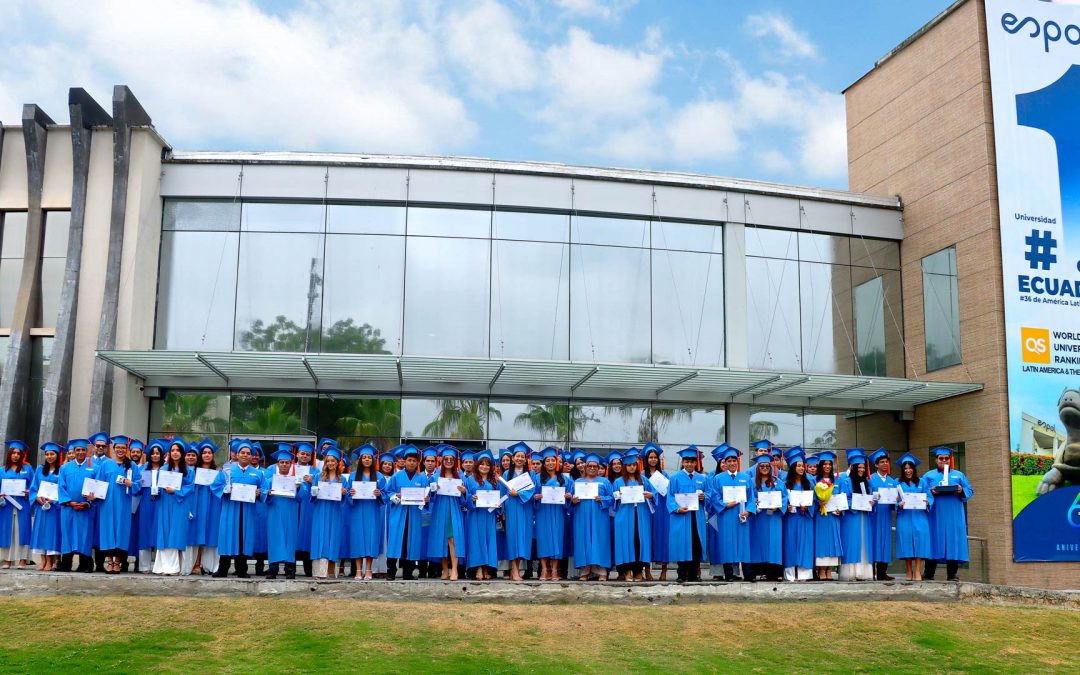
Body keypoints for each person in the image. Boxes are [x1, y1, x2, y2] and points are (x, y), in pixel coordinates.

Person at [921, 446, 974, 581]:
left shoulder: (959, 475)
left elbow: (969, 490)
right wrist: (930, 492)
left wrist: (961, 490)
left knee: (953, 541)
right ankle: (928, 573)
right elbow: (921, 492)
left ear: (950, 460)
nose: (944, 461)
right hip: (936, 515)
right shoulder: (928, 476)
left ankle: (952, 574)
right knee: (934, 540)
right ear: (936, 460)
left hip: (954, 515)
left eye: (946, 458)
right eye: (941, 458)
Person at [211, 440, 263, 578]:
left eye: (248, 453)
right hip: (230, 509)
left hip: (248, 511)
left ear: (252, 456)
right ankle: (223, 569)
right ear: (237, 455)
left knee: (243, 538)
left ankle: (242, 570)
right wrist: (226, 489)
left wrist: (260, 493)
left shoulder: (257, 474)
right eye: (243, 453)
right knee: (227, 536)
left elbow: (264, 489)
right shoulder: (227, 471)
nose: (245, 455)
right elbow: (215, 486)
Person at [95, 435, 141, 573]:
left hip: (123, 504)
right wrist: (93, 495)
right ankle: (109, 562)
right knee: (108, 531)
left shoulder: (131, 465)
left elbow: (138, 485)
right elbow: (99, 483)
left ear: (126, 449)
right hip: (107, 504)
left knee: (122, 532)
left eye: (123, 448)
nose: (120, 450)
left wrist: (131, 483)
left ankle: (118, 562)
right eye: (118, 447)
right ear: (114, 449)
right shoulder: (106, 464)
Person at [708, 445, 754, 582]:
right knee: (727, 544)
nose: (732, 463)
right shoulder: (718, 478)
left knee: (743, 544)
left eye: (734, 460)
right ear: (725, 463)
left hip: (742, 516)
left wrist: (748, 511)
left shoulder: (746, 478)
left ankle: (749, 575)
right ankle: (729, 575)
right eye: (729, 461)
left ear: (737, 462)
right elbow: (714, 497)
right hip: (726, 516)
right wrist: (725, 505)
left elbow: (751, 497)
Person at [385, 444, 430, 580]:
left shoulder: (422, 478)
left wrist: (426, 499)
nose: (411, 462)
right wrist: (395, 497)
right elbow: (388, 492)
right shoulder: (396, 477)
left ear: (418, 462)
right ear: (405, 462)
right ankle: (391, 572)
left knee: (411, 543)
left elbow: (427, 496)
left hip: (414, 516)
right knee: (395, 542)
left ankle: (408, 573)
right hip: (398, 514)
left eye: (414, 460)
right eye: (409, 460)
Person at [263, 444, 307, 580]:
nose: (284, 465)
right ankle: (273, 569)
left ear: (290, 465)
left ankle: (290, 569)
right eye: (281, 462)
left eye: (287, 463)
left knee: (290, 539)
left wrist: (299, 488)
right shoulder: (270, 480)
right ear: (277, 464)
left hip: (291, 513)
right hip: (274, 513)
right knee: (274, 539)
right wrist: (268, 493)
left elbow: (301, 498)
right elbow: (264, 495)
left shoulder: (296, 482)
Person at [612, 448, 654, 582]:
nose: (632, 467)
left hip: (641, 515)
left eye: (634, 465)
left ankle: (638, 570)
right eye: (629, 465)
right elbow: (613, 500)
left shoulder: (644, 480)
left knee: (638, 541)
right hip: (624, 516)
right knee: (626, 542)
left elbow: (654, 496)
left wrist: (650, 495)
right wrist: (618, 496)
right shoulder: (618, 482)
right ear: (625, 466)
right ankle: (627, 571)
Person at [667, 446, 707, 583]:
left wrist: (704, 497)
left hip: (697, 517)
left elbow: (710, 495)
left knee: (696, 544)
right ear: (683, 463)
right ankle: (681, 574)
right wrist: (677, 509)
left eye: (692, 461)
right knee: (682, 544)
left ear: (696, 463)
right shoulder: (675, 478)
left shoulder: (702, 478)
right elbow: (670, 497)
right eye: (687, 461)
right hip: (682, 516)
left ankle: (694, 574)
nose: (689, 464)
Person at [427, 446, 467, 580]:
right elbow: (430, 496)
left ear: (455, 461)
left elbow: (464, 499)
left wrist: (464, 492)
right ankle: (445, 570)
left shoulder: (460, 475)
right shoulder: (436, 476)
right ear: (442, 461)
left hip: (454, 509)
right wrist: (433, 490)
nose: (449, 461)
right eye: (446, 459)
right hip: (440, 509)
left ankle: (454, 570)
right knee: (442, 539)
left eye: (451, 459)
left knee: (453, 539)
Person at [153, 439, 193, 575]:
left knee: (176, 532)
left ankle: (175, 568)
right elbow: (157, 486)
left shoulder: (188, 470)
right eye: (173, 450)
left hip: (179, 503)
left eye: (178, 450)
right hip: (165, 502)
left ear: (182, 453)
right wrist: (157, 490)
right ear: (169, 453)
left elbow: (190, 487)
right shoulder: (163, 469)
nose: (175, 453)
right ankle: (163, 567)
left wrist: (175, 491)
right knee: (164, 531)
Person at [571, 453, 613, 581]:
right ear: (585, 467)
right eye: (590, 466)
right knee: (584, 540)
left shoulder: (604, 482)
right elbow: (571, 499)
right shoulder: (578, 482)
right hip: (581, 515)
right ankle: (585, 569)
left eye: (595, 466)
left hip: (599, 516)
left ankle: (602, 571)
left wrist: (602, 499)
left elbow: (612, 499)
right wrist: (573, 501)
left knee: (600, 540)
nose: (592, 468)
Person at [57, 438, 97, 572]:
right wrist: (70, 502)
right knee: (67, 534)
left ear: (87, 451)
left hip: (86, 508)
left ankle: (86, 564)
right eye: (77, 450)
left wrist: (88, 502)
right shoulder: (65, 468)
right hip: (69, 507)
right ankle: (66, 564)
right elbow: (61, 487)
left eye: (83, 450)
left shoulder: (94, 467)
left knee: (85, 534)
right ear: (73, 451)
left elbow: (98, 487)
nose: (80, 452)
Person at [310, 445, 349, 580]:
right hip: (320, 510)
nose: (331, 463)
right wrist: (315, 491)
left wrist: (344, 493)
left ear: (338, 463)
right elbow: (313, 496)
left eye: (333, 461)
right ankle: (319, 572)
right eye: (328, 461)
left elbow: (345, 499)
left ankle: (331, 572)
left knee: (333, 538)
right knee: (320, 538)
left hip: (335, 512)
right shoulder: (318, 476)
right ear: (325, 462)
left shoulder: (342, 479)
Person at [347, 444, 384, 581]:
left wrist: (379, 494)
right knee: (358, 539)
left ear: (373, 460)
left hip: (372, 511)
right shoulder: (352, 476)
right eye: (364, 457)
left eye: (369, 457)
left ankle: (368, 570)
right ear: (360, 460)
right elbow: (346, 497)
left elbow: (384, 496)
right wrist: (350, 494)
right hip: (357, 511)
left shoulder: (379, 476)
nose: (367, 459)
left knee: (370, 539)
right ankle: (358, 570)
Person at [500, 441, 536, 582]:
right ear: (513, 458)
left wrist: (519, 494)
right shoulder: (506, 473)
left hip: (525, 509)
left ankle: (517, 569)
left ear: (525, 459)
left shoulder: (531, 474)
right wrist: (502, 511)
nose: (520, 459)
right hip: (511, 509)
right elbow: (502, 494)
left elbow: (532, 491)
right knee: (512, 538)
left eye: (522, 456)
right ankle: (514, 570)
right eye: (517, 456)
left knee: (523, 539)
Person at [534, 447, 571, 581]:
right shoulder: (537, 478)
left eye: (552, 460)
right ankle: (545, 569)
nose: (550, 462)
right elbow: (530, 495)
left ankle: (555, 570)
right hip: (542, 512)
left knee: (557, 540)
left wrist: (568, 496)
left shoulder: (565, 479)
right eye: (547, 460)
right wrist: (535, 497)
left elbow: (571, 497)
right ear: (544, 463)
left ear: (557, 462)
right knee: (543, 540)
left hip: (558, 512)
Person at [185, 439, 221, 576]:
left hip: (213, 504)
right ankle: (196, 563)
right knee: (198, 533)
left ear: (212, 455)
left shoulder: (217, 472)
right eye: (204, 452)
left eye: (209, 452)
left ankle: (208, 565)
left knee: (210, 533)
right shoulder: (192, 471)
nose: (207, 455)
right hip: (197, 503)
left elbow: (221, 488)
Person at [839, 450, 874, 581]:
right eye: (859, 467)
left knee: (864, 542)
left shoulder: (867, 482)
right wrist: (855, 502)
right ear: (853, 468)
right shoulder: (846, 481)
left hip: (864, 517)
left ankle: (864, 573)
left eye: (863, 467)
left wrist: (871, 502)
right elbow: (843, 499)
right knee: (852, 542)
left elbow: (870, 499)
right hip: (851, 517)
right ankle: (851, 573)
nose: (861, 469)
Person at [895, 452, 931, 581]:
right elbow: (895, 501)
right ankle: (909, 571)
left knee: (920, 543)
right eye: (905, 468)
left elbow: (930, 497)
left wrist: (928, 502)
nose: (908, 470)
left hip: (919, 517)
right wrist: (899, 504)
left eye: (910, 468)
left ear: (914, 469)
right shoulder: (897, 483)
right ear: (902, 470)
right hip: (904, 517)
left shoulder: (922, 482)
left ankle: (918, 571)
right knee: (907, 543)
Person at [748, 454, 785, 581]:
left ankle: (776, 573)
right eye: (762, 466)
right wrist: (756, 505)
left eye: (767, 466)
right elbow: (748, 498)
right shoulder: (751, 482)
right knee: (759, 543)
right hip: (758, 518)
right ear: (757, 468)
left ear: (770, 467)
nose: (764, 468)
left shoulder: (777, 481)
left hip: (774, 517)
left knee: (774, 543)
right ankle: (761, 572)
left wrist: (778, 507)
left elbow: (785, 497)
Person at [464, 450, 499, 580]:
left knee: (488, 540)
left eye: (487, 465)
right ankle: (478, 568)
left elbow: (499, 497)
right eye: (482, 464)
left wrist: (498, 505)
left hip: (489, 515)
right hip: (475, 515)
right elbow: (464, 498)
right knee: (476, 541)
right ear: (477, 465)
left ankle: (486, 568)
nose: (484, 467)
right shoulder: (470, 480)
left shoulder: (494, 481)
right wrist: (470, 498)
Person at [29, 442, 64, 571]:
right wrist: (37, 498)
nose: (50, 456)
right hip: (41, 507)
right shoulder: (39, 470)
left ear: (57, 455)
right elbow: (33, 488)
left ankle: (50, 561)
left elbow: (62, 489)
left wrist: (54, 500)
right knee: (40, 532)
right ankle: (42, 560)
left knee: (51, 532)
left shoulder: (62, 470)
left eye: (52, 454)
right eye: (47, 454)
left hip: (54, 508)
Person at [782, 447, 814, 582]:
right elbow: (783, 500)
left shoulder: (810, 482)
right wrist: (787, 506)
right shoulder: (786, 484)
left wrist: (809, 507)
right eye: (799, 466)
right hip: (791, 518)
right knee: (791, 544)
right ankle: (790, 574)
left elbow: (816, 501)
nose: (801, 468)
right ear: (793, 467)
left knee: (805, 544)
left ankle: (804, 574)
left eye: (802, 466)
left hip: (805, 518)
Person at [0, 440, 34, 568]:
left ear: (22, 455)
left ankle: (23, 559)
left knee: (22, 531)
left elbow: (34, 486)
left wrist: (28, 492)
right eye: (13, 453)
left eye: (18, 453)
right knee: (8, 531)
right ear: (9, 455)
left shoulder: (28, 469)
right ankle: (7, 560)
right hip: (6, 506)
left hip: (22, 505)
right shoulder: (2, 470)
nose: (15, 455)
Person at [868, 448, 898, 581]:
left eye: (886, 462)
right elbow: (866, 496)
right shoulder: (870, 479)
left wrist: (896, 502)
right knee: (873, 541)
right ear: (876, 464)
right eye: (882, 462)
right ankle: (870, 572)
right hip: (874, 516)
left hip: (886, 516)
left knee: (885, 542)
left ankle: (882, 572)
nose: (885, 464)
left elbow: (895, 503)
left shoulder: (893, 481)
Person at [641, 442, 670, 581]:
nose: (653, 459)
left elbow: (669, 493)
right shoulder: (641, 475)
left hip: (661, 510)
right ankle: (647, 571)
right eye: (650, 457)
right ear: (646, 460)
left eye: (655, 457)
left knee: (662, 539)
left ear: (658, 459)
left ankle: (664, 571)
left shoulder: (664, 474)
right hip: (646, 510)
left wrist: (654, 495)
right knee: (647, 539)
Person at [136, 440, 166, 573]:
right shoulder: (142, 469)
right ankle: (144, 566)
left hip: (161, 502)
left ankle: (160, 565)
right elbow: (136, 488)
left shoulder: (166, 469)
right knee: (145, 531)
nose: (155, 456)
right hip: (146, 503)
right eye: (153, 453)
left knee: (160, 531)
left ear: (161, 455)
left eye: (157, 453)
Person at [292, 442, 317, 577]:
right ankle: (291, 569)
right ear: (297, 454)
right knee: (293, 534)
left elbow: (321, 487)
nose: (304, 456)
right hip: (293, 505)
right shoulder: (289, 468)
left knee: (307, 535)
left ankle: (308, 569)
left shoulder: (315, 472)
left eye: (307, 454)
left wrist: (313, 481)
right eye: (302, 453)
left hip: (308, 506)